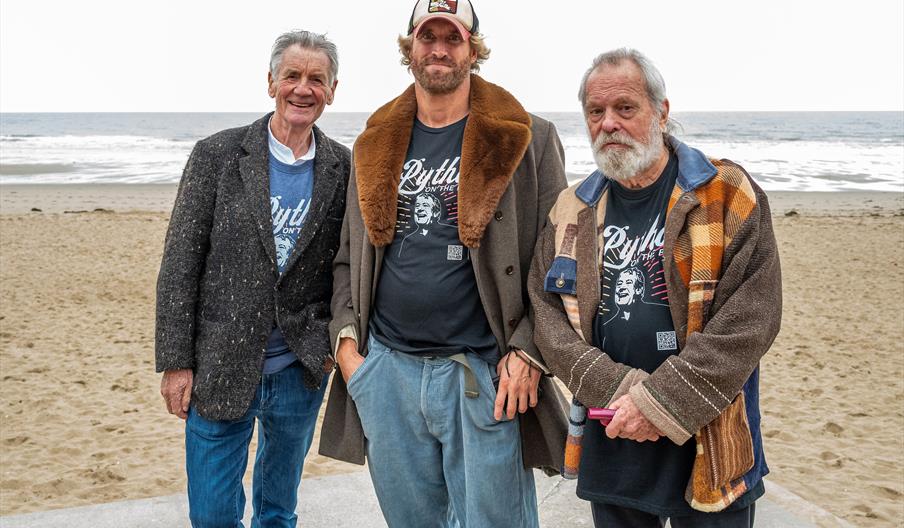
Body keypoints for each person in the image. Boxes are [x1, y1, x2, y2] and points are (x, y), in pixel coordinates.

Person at [318, 1, 569, 526]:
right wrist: (348, 350)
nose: (438, 49)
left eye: (452, 39)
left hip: (482, 373)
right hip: (386, 372)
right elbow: (347, 257)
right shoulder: (374, 139)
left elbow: (558, 259)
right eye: (426, 37)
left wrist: (528, 350)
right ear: (409, 47)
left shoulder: (526, 136)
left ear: (473, 50)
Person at [529, 48, 782, 528]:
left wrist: (661, 402)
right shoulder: (570, 209)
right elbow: (546, 316)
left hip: (710, 439)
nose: (608, 124)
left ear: (661, 112)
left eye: (625, 108)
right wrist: (619, 391)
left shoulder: (725, 193)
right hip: (613, 434)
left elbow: (753, 318)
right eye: (596, 112)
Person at [155, 30, 350, 527]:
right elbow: (180, 264)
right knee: (214, 516)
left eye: (316, 79)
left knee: (278, 512)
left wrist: (328, 345)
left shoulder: (344, 167)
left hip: (299, 370)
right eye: (292, 76)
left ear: (332, 90)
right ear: (271, 83)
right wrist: (176, 362)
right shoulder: (217, 155)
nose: (302, 89)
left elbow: (347, 266)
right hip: (218, 365)